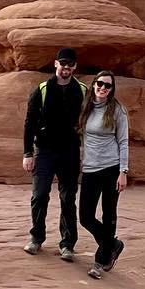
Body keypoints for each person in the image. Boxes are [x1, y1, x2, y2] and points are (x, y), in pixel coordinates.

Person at [22, 48, 85, 260]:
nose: (66, 67)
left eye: (70, 64)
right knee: (39, 196)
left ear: (75, 67)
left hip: (70, 151)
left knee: (68, 198)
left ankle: (67, 244)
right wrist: (27, 153)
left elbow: (89, 121)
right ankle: (36, 238)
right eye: (63, 62)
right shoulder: (42, 89)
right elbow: (29, 122)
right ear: (55, 64)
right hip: (45, 151)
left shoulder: (82, 91)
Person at [77, 71, 129, 279]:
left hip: (110, 168)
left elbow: (123, 141)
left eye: (108, 86)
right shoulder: (86, 107)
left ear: (112, 89)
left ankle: (100, 262)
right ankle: (113, 244)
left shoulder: (117, 110)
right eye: (100, 84)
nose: (103, 88)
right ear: (94, 85)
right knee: (85, 216)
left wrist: (123, 171)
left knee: (109, 215)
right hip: (90, 168)